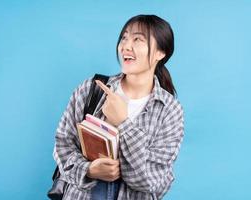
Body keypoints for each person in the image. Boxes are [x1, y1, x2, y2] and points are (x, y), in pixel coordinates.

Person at [53, 14, 184, 200]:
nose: (126, 46)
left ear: (160, 53)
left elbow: (150, 181)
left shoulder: (169, 110)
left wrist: (123, 123)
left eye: (138, 39)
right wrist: (89, 170)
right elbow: (63, 143)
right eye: (124, 38)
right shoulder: (92, 88)